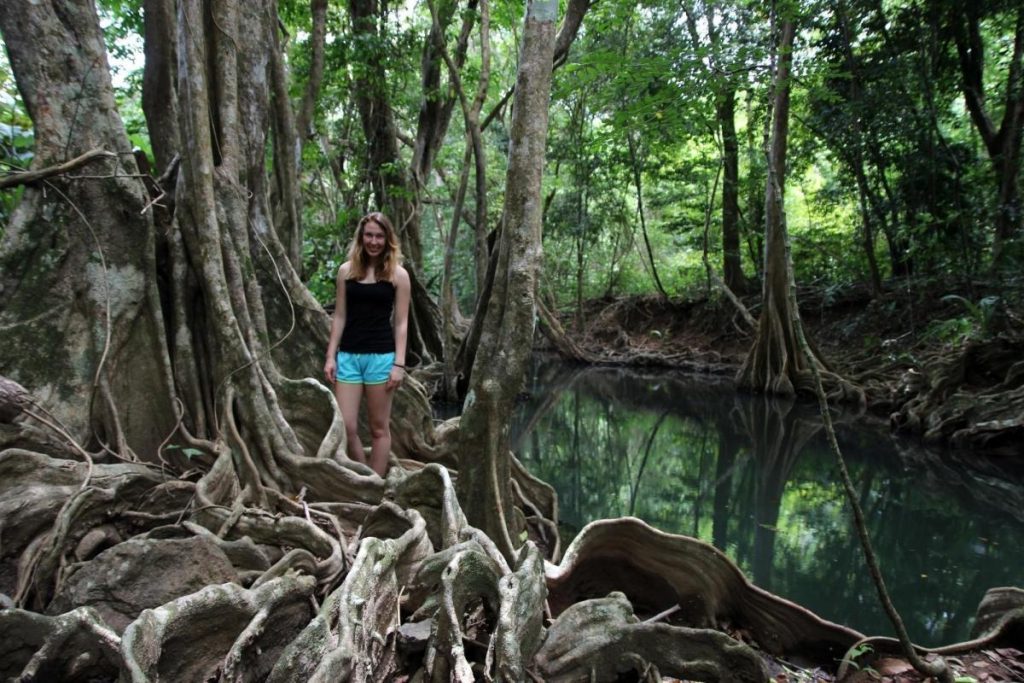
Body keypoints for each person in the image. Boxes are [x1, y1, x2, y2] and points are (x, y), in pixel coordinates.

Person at [324, 212, 410, 477]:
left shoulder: (398, 275)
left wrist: (399, 363)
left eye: (379, 236)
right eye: (369, 235)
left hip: (382, 358)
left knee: (378, 428)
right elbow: (339, 316)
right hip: (348, 356)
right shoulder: (346, 271)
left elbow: (401, 323)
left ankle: (377, 488)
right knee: (347, 427)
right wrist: (331, 356)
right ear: (361, 237)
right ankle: (365, 478)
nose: (374, 241)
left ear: (388, 239)